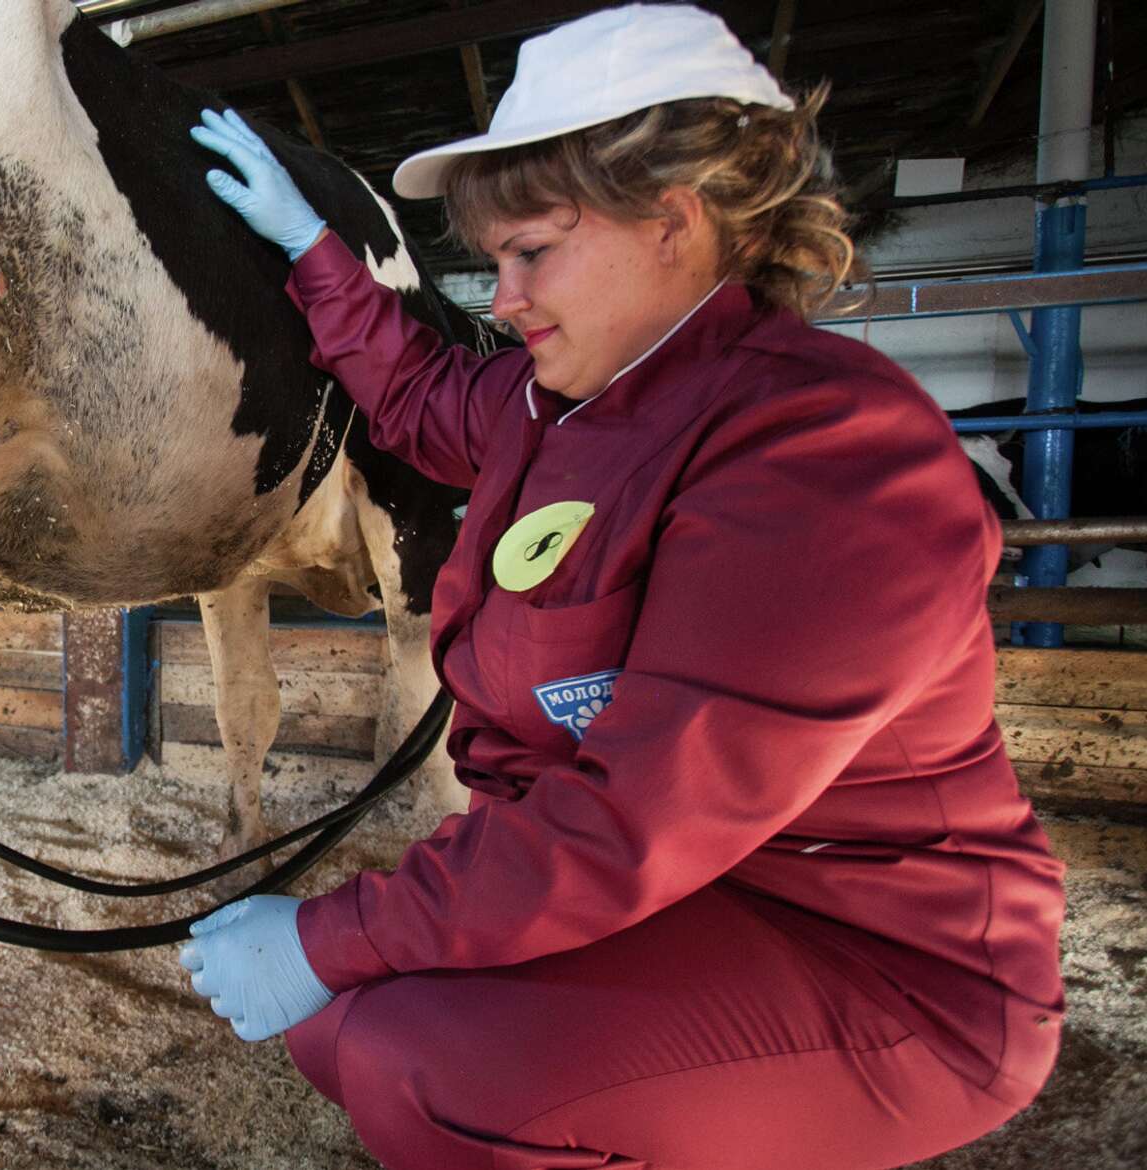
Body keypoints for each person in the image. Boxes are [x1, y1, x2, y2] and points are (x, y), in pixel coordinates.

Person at [176, 5, 1066, 1169]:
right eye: (492, 264)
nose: (502, 300)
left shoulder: (828, 453)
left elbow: (631, 819)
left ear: (672, 220)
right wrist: (313, 253)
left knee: (422, 1062)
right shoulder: (561, 403)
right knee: (343, 1030)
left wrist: (335, 930)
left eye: (531, 252)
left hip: (872, 956)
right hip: (678, 899)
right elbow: (415, 393)